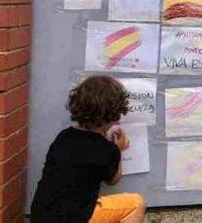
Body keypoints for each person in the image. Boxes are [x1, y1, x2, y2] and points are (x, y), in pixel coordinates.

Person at [31, 76, 146, 223]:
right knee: (136, 203)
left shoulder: (64, 137)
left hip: (41, 216)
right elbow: (113, 180)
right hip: (75, 218)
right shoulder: (107, 149)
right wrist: (118, 149)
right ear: (113, 114)